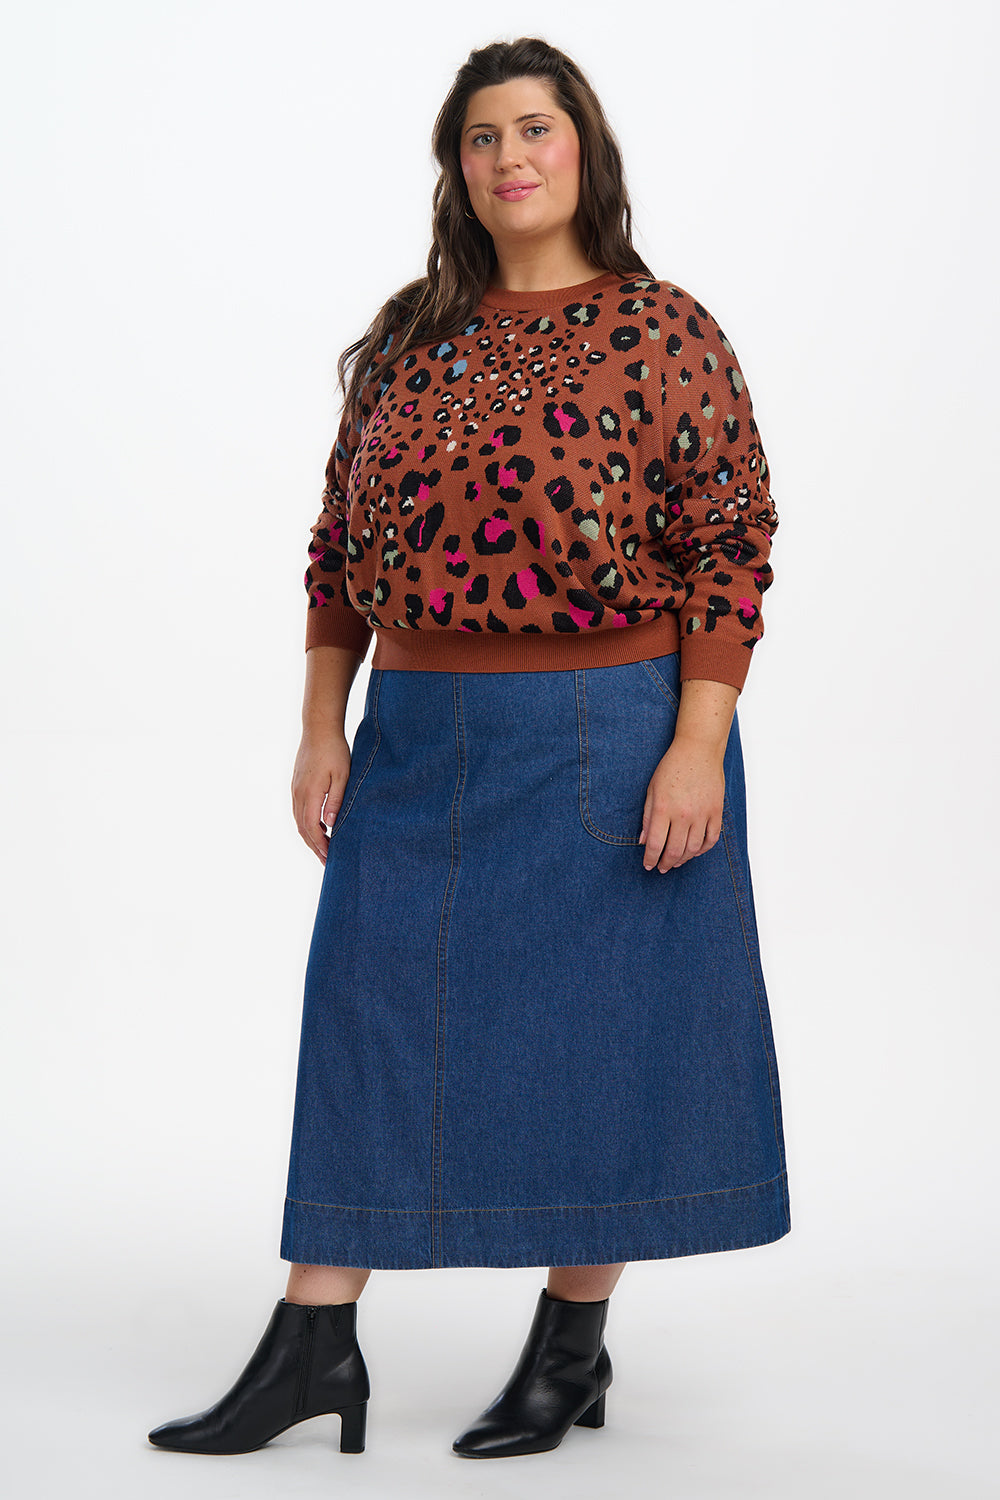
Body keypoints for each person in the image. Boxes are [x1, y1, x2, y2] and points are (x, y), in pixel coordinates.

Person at [147, 35, 790, 1463]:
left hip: (607, 726)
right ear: (458, 166)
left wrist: (698, 741)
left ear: (584, 148)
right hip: (417, 730)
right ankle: (315, 1342)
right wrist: (321, 724)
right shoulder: (411, 335)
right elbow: (337, 543)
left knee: (602, 1036)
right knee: (366, 1016)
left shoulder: (663, 327)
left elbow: (730, 544)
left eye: (536, 128)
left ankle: (570, 1348)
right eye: (484, 136)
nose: (511, 157)